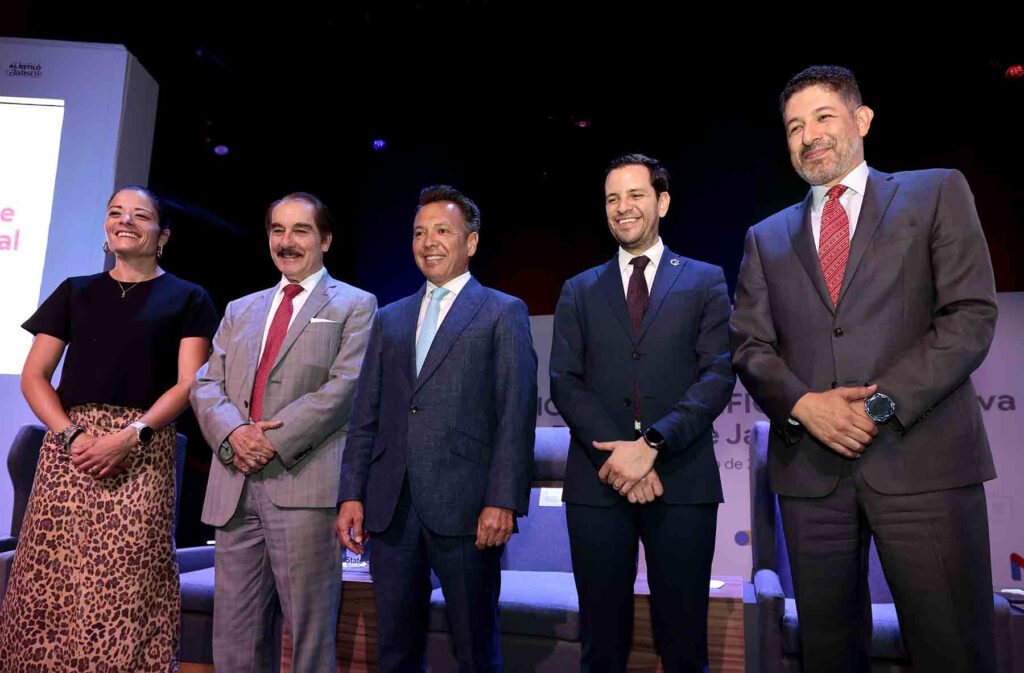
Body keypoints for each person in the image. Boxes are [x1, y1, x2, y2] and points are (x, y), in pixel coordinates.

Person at [730, 65, 999, 672]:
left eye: (823, 117)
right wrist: (805, 406)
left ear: (862, 119)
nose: (809, 136)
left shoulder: (935, 192)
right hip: (813, 479)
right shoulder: (764, 237)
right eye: (794, 127)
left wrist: (880, 405)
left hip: (924, 464)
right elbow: (749, 344)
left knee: (952, 650)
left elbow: (968, 317)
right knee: (827, 655)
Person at [0, 185, 219, 671]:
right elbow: (35, 377)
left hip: (142, 449)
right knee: (50, 578)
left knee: (128, 580)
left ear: (162, 235)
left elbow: (189, 383)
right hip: (69, 451)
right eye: (116, 212)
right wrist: (72, 435)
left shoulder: (189, 297)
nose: (125, 221)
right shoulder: (74, 291)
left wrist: (130, 435)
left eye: (140, 215)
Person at [336, 185, 537, 672]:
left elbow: (515, 415)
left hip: (468, 510)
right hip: (391, 510)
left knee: (474, 649)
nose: (429, 242)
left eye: (443, 230)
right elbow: (365, 415)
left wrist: (503, 500)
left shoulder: (503, 311)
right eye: (419, 232)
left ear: (471, 242)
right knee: (395, 650)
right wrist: (352, 494)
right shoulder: (390, 318)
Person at [549, 154, 735, 672]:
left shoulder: (704, 280)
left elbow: (717, 376)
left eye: (635, 195)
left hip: (681, 477)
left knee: (683, 641)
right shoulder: (579, 289)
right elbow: (564, 381)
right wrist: (622, 458)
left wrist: (652, 445)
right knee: (601, 643)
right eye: (612, 198)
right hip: (598, 482)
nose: (622, 207)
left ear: (663, 202)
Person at [190, 192, 376, 672]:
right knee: (235, 641)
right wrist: (234, 435)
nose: (287, 241)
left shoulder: (356, 304)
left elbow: (346, 387)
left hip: (304, 489)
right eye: (278, 230)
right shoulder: (240, 308)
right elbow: (206, 384)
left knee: (310, 640)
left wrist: (270, 440)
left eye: (301, 230)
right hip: (234, 487)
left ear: (325, 240)